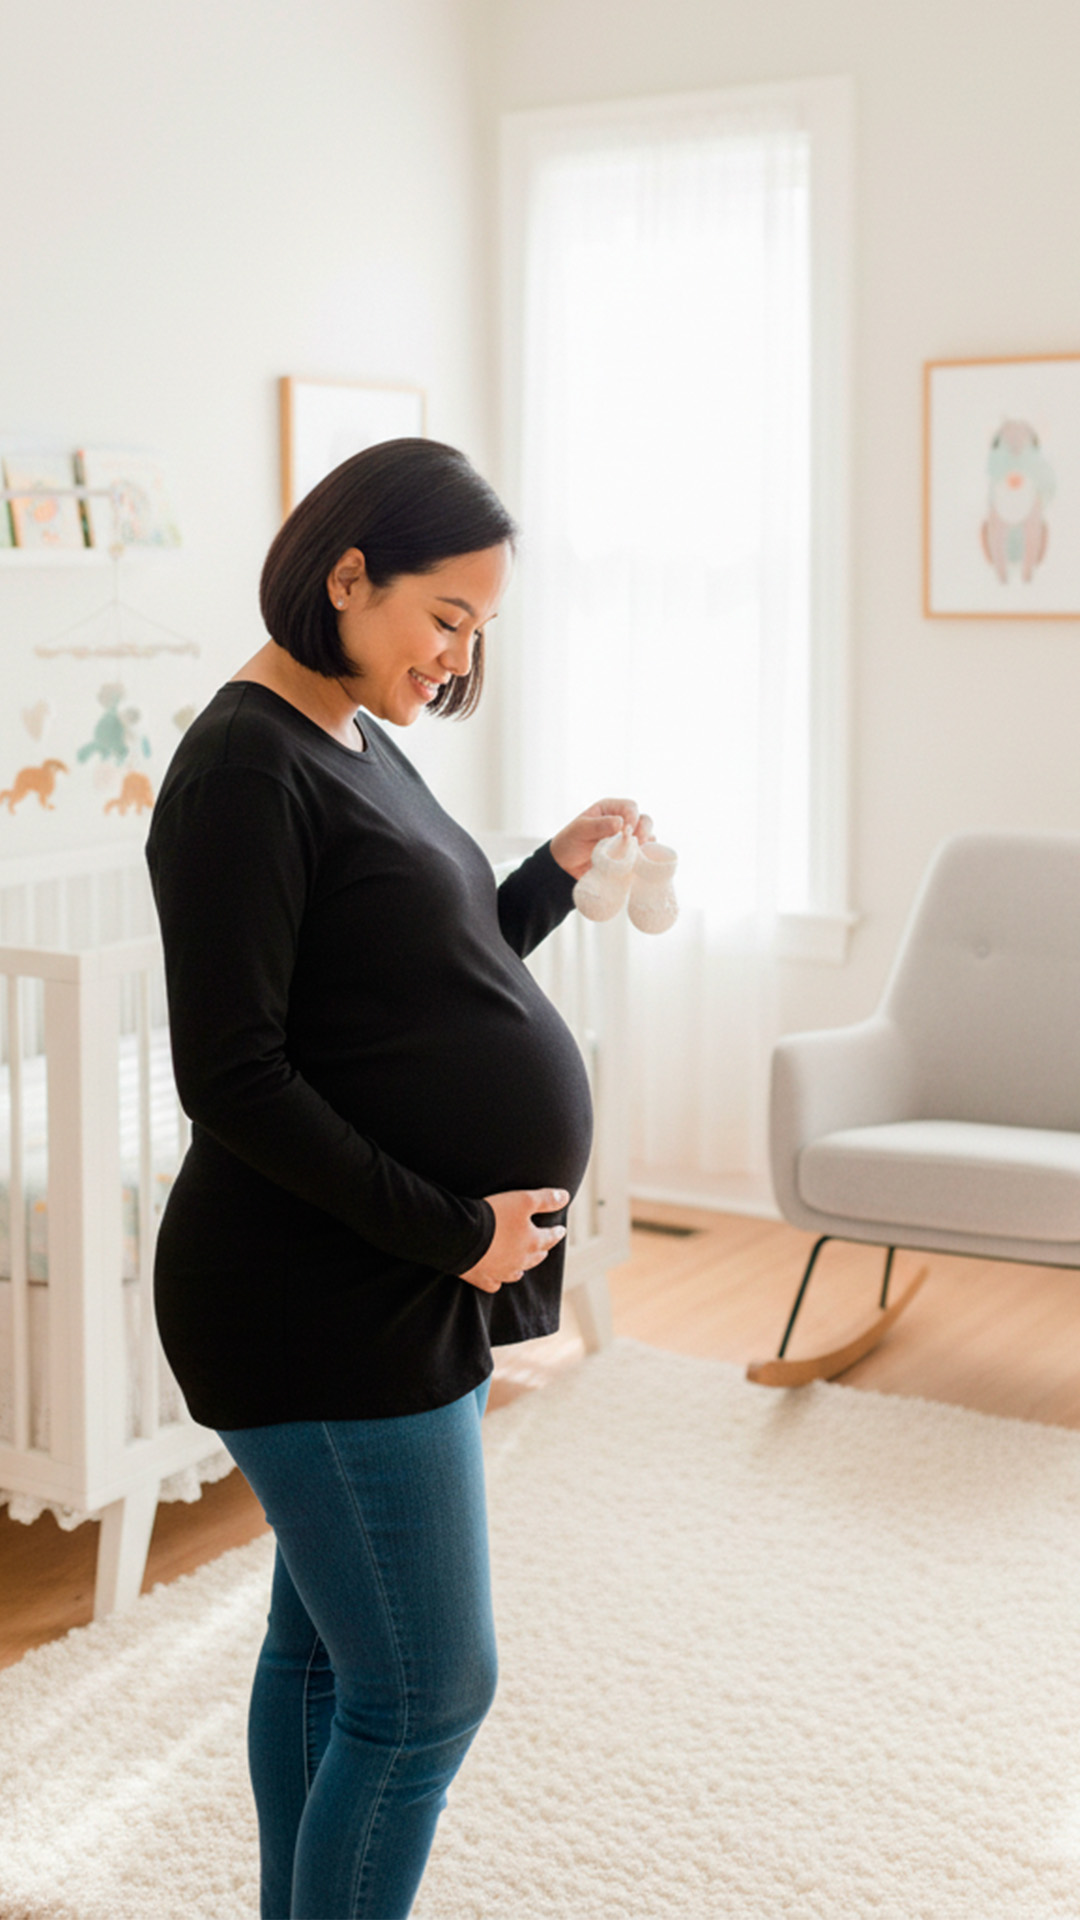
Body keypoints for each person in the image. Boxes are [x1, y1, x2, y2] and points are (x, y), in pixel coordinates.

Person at [146, 437, 653, 1920]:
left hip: (386, 1280)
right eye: (446, 616)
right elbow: (232, 1078)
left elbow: (425, 972)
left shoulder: (353, 731)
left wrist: (547, 874)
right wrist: (456, 1236)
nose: (457, 656)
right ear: (347, 574)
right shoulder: (243, 766)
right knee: (429, 1692)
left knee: (328, 1660)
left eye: (480, 629)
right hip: (318, 1298)